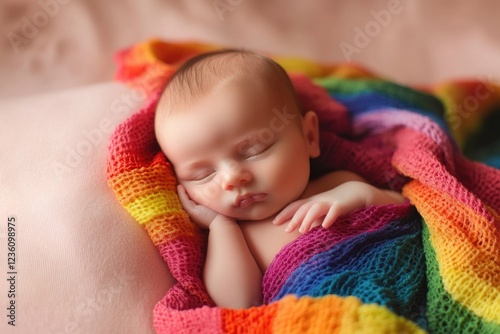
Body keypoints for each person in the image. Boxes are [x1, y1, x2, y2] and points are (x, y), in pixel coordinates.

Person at [154, 49, 405, 309]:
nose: (231, 179)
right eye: (203, 175)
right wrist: (220, 226)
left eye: (255, 150)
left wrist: (359, 194)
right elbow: (237, 304)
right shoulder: (238, 239)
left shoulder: (339, 185)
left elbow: (403, 210)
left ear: (309, 137)